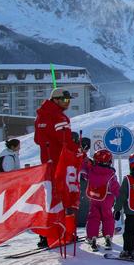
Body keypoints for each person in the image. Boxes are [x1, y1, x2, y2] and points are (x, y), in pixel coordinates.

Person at [33, 87, 76, 247]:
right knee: (62, 198)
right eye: (65, 100)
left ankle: (45, 235)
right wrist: (79, 151)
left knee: (49, 199)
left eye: (69, 100)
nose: (68, 103)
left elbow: (37, 140)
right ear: (56, 100)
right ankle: (60, 232)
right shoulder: (60, 117)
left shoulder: (41, 116)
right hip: (60, 164)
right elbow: (66, 142)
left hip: (47, 164)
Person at [85, 149, 120, 251]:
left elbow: (84, 170)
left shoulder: (91, 170)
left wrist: (86, 159)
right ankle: (108, 236)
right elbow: (116, 188)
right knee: (108, 217)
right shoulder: (111, 174)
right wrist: (120, 199)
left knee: (93, 217)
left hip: (94, 197)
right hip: (107, 198)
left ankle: (92, 237)